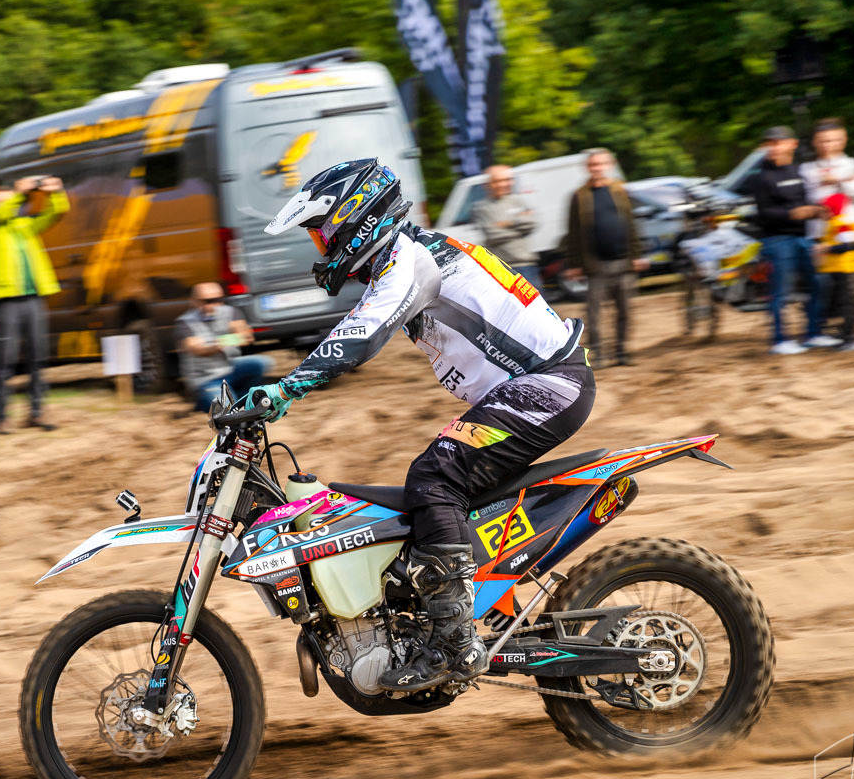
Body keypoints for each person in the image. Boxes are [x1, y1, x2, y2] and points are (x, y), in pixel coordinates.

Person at [246, 158, 594, 692]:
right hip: (535, 387)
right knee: (445, 486)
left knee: (435, 476)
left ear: (355, 218)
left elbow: (362, 334)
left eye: (321, 234)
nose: (320, 247)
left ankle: (454, 644)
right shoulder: (410, 256)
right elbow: (360, 323)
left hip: (548, 386)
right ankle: (475, 611)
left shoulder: (409, 259)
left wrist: (287, 388)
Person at [0, 175, 69, 433]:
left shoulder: (24, 225)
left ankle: (36, 413)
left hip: (33, 298)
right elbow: (0, 213)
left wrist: (55, 192)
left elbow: (57, 213)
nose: (7, 205)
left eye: (8, 201)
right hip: (7, 299)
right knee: (5, 359)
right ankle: (2, 417)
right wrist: (18, 194)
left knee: (37, 357)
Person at [562, 147, 647, 366]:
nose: (597, 168)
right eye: (593, 164)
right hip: (596, 265)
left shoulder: (621, 191)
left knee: (625, 311)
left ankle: (621, 351)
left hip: (623, 261)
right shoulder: (579, 196)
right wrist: (574, 264)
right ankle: (598, 353)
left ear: (610, 165)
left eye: (600, 164)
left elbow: (631, 224)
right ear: (587, 167)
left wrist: (637, 254)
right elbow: (573, 232)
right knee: (594, 313)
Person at [746, 127, 825, 355]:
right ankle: (780, 340)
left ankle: (814, 334)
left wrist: (816, 210)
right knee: (780, 292)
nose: (773, 147)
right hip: (777, 240)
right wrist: (791, 214)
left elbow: (810, 198)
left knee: (817, 285)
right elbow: (763, 213)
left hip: (804, 238)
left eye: (778, 142)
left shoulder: (799, 171)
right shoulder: (761, 176)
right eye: (769, 143)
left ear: (793, 144)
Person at [176, 283, 273, 411]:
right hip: (206, 378)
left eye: (217, 299)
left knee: (261, 363)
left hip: (229, 367)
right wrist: (222, 343)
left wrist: (220, 342)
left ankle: (243, 395)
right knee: (228, 409)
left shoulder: (230, 311)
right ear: (194, 302)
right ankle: (203, 401)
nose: (213, 304)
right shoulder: (185, 322)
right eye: (207, 301)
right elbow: (197, 349)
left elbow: (245, 336)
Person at [800, 118, 854, 230]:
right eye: (823, 141)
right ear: (814, 142)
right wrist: (847, 179)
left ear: (844, 140)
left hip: (853, 223)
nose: (828, 145)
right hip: (822, 228)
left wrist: (837, 181)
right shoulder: (807, 168)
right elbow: (811, 197)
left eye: (835, 140)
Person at [814, 193, 854, 351]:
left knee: (847, 304)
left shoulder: (842, 223)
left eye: (825, 210)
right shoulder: (833, 224)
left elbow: (851, 245)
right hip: (837, 270)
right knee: (841, 303)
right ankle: (844, 335)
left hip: (845, 270)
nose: (822, 214)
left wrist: (827, 248)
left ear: (833, 210)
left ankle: (848, 337)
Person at [472, 164, 537, 281]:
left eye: (507, 180)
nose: (504, 184)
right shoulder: (482, 207)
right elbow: (494, 235)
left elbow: (530, 224)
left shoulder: (516, 200)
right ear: (488, 184)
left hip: (526, 264)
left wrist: (508, 223)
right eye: (498, 181)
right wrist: (519, 227)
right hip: (502, 267)